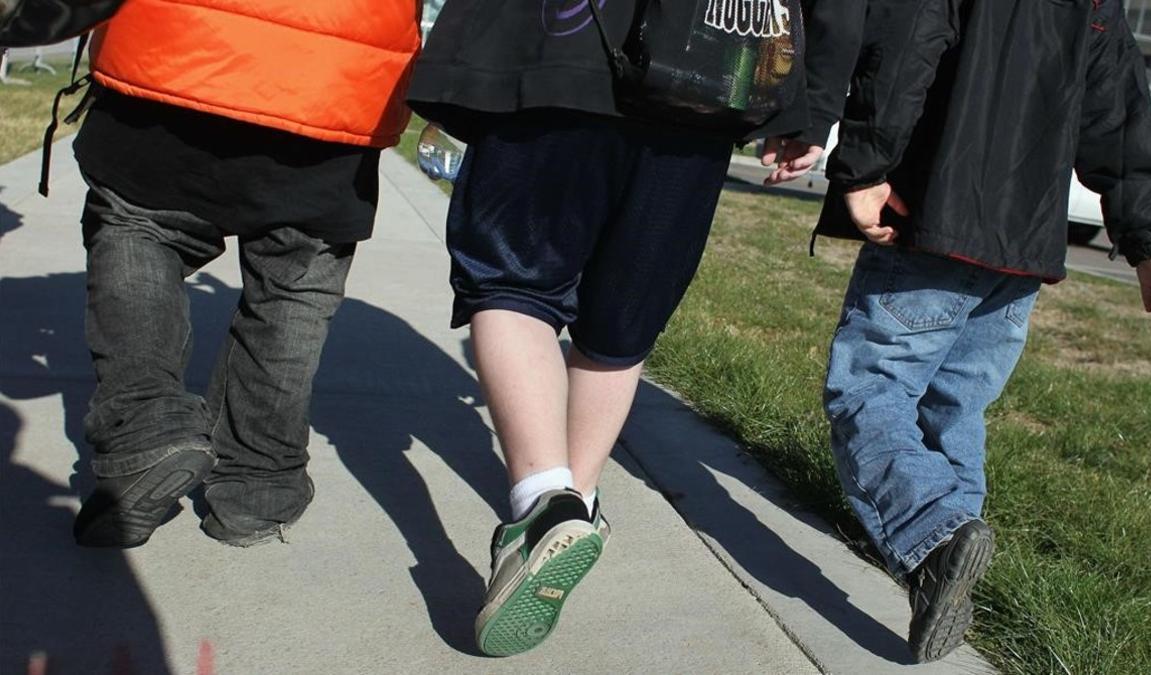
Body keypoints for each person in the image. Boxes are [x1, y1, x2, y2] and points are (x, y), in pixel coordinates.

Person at [407, 0, 846, 656]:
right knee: (620, 323)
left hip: (558, 58)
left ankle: (544, 503)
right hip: (705, 76)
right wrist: (813, 99)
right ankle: (574, 506)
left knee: (512, 284)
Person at [815, 0, 1151, 662]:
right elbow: (1118, 110)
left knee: (868, 391)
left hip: (932, 215)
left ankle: (936, 538)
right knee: (953, 412)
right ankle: (947, 574)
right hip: (1023, 247)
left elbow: (908, 43)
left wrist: (865, 165)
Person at [70, 0, 422, 548]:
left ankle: (145, 426)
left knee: (139, 226)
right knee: (294, 282)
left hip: (179, 44)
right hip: (339, 72)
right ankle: (258, 487)